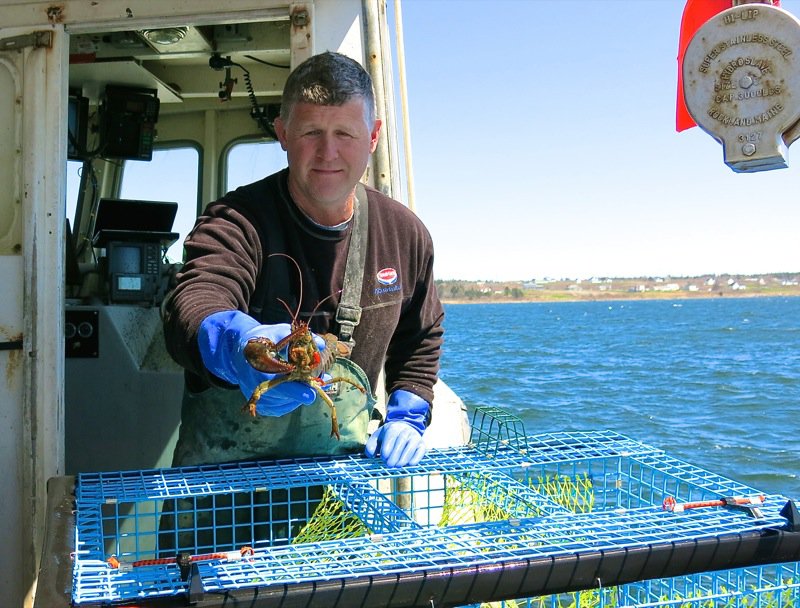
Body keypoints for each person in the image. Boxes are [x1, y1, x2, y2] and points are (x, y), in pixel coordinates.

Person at [162, 51, 443, 471]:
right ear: (283, 133)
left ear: (373, 136)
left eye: (345, 133)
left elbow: (421, 334)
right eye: (311, 132)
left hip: (339, 487)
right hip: (218, 488)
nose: (328, 152)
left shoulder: (405, 234)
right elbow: (196, 300)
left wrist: (409, 412)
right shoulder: (234, 220)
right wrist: (237, 346)